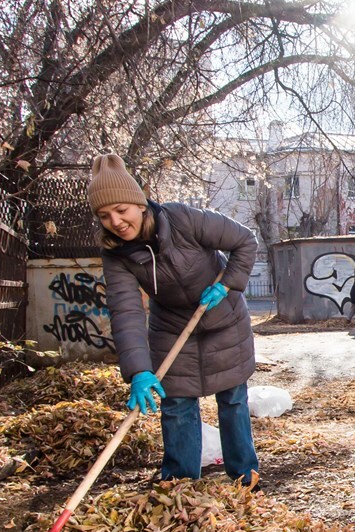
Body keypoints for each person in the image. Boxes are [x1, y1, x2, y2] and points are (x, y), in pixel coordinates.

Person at [88, 153, 260, 489]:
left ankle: (244, 477)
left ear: (139, 204)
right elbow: (126, 310)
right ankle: (180, 488)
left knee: (232, 398)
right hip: (172, 327)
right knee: (177, 404)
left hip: (223, 318)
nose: (116, 222)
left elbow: (245, 241)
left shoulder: (182, 218)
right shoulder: (116, 254)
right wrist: (138, 370)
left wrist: (226, 284)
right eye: (105, 216)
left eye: (121, 210)